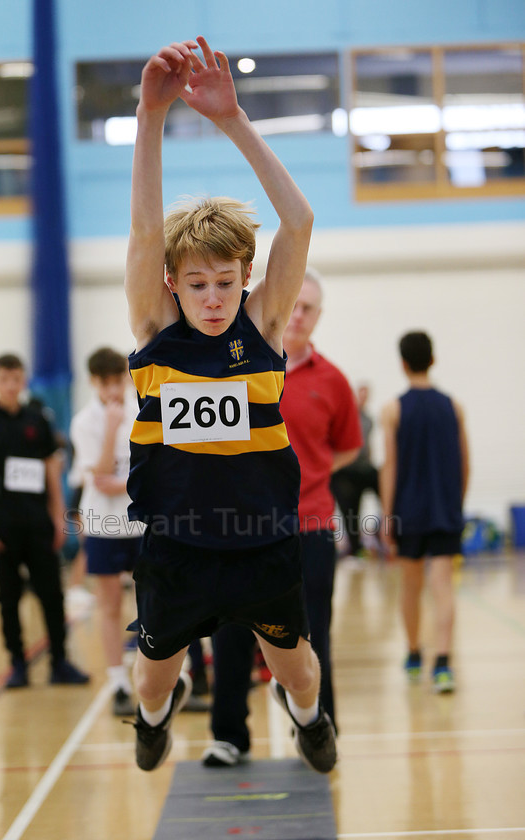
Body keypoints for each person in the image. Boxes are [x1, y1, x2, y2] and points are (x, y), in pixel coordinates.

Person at [124, 36, 336, 774]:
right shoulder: (154, 333)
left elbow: (300, 222)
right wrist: (150, 118)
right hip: (176, 547)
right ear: (170, 284)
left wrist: (233, 120)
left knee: (299, 670)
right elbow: (146, 230)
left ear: (246, 276)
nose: (212, 298)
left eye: (225, 281)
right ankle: (157, 720)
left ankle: (309, 721)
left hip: (260, 542)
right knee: (149, 681)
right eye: (197, 283)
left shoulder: (265, 324)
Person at [203, 269, 362, 767]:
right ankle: (229, 735)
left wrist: (302, 473)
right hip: (238, 527)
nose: (298, 315)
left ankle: (317, 728)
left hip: (308, 526)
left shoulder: (333, 382)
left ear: (318, 316)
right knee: (229, 630)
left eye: (309, 308)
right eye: (294, 304)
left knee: (313, 633)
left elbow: (348, 448)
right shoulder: (238, 363)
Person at [0, 354, 90, 688]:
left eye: (16, 378)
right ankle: (17, 664)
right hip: (2, 525)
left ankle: (60, 662)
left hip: (38, 524)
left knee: (52, 594)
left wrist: (59, 518)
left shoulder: (37, 421)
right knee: (7, 597)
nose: (10, 385)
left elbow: (52, 472)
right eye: (4, 379)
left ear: (23, 381)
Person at [380, 331, 469, 693]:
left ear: (403, 363)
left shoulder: (393, 409)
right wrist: (455, 502)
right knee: (443, 585)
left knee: (411, 586)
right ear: (432, 360)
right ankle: (443, 663)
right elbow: (465, 463)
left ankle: (415, 653)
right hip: (444, 509)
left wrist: (387, 517)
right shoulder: (454, 406)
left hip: (409, 512)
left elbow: (390, 467)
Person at [70, 347, 143, 715]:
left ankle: (158, 675)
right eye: (106, 383)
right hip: (102, 523)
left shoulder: (141, 410)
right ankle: (117, 681)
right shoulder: (85, 422)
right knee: (110, 604)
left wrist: (125, 481)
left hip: (139, 521)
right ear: (94, 383)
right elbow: (97, 476)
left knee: (151, 600)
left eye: (119, 381)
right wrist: (112, 428)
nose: (114, 390)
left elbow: (148, 470)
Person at [331, 382, 380, 560]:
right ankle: (354, 548)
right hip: (346, 469)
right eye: (360, 393)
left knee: (383, 483)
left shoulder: (369, 419)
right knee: (350, 508)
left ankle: (386, 535)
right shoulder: (345, 415)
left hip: (363, 466)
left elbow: (369, 444)